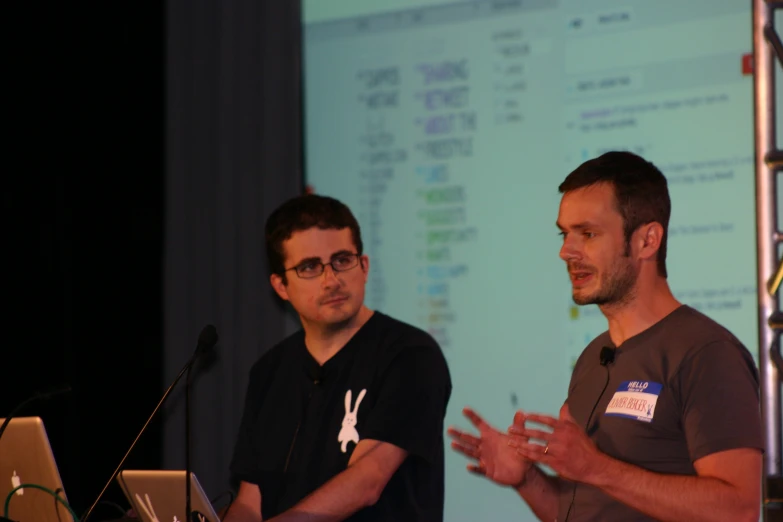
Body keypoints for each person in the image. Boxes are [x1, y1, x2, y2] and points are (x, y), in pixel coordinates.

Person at [448, 151, 763, 521]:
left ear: (647, 241)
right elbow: (580, 510)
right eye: (565, 234)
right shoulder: (593, 356)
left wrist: (596, 467)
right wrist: (526, 480)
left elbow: (738, 510)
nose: (566, 251)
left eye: (588, 234)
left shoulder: (706, 353)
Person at [224, 194, 452, 522]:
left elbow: (368, 480)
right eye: (310, 267)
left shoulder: (410, 354)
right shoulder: (269, 371)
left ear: (364, 266)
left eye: (342, 260)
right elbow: (250, 502)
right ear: (281, 286)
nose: (331, 280)